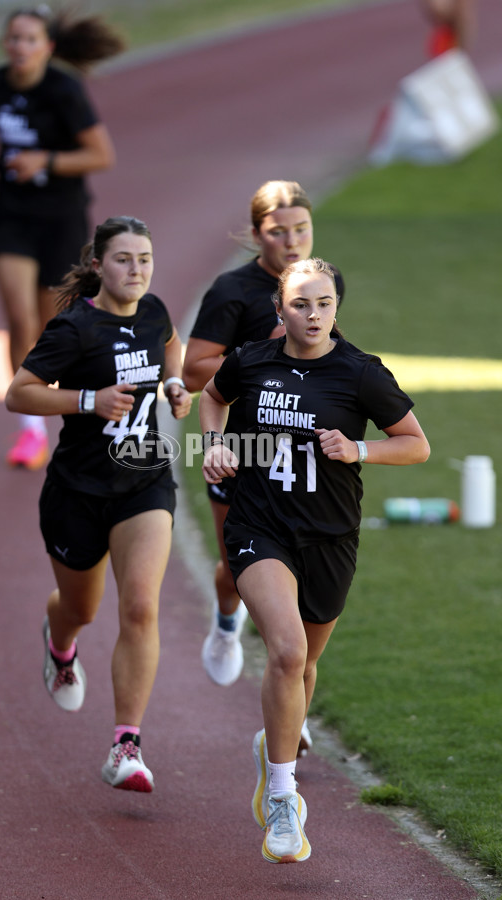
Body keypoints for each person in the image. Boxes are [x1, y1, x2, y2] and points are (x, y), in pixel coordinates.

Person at [199, 258, 429, 862]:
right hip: (259, 529)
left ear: (336, 308)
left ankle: (271, 745)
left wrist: (358, 448)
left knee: (302, 669)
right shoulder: (252, 361)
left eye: (323, 303)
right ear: (280, 309)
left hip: (330, 538)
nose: (313, 314)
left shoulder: (360, 373)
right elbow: (212, 397)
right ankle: (283, 798)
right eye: (300, 303)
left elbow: (416, 445)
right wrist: (217, 443)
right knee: (287, 649)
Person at [5, 216, 191, 792]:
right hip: (78, 494)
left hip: (143, 484)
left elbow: (171, 348)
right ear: (98, 266)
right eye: (123, 260)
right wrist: (89, 399)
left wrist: (175, 385)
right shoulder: (75, 328)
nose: (135, 270)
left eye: (144, 259)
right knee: (80, 610)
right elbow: (19, 393)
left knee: (139, 607)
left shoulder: (155, 311)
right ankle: (59, 644)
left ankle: (125, 745)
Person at [183, 179, 343, 757]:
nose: (293, 240)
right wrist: (262, 352)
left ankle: (289, 711)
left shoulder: (314, 286)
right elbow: (195, 366)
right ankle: (227, 622)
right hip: (241, 451)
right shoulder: (233, 290)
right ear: (257, 235)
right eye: (280, 231)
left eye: (302, 228)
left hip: (298, 458)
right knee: (235, 569)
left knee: (299, 596)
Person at [0, 5, 124, 469]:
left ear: (48, 47)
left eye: (30, 40)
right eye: (14, 38)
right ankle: (30, 430)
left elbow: (101, 155)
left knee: (52, 331)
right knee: (17, 318)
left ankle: (77, 411)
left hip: (61, 220)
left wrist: (44, 162)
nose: (20, 47)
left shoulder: (64, 91)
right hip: (12, 218)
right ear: (5, 44)